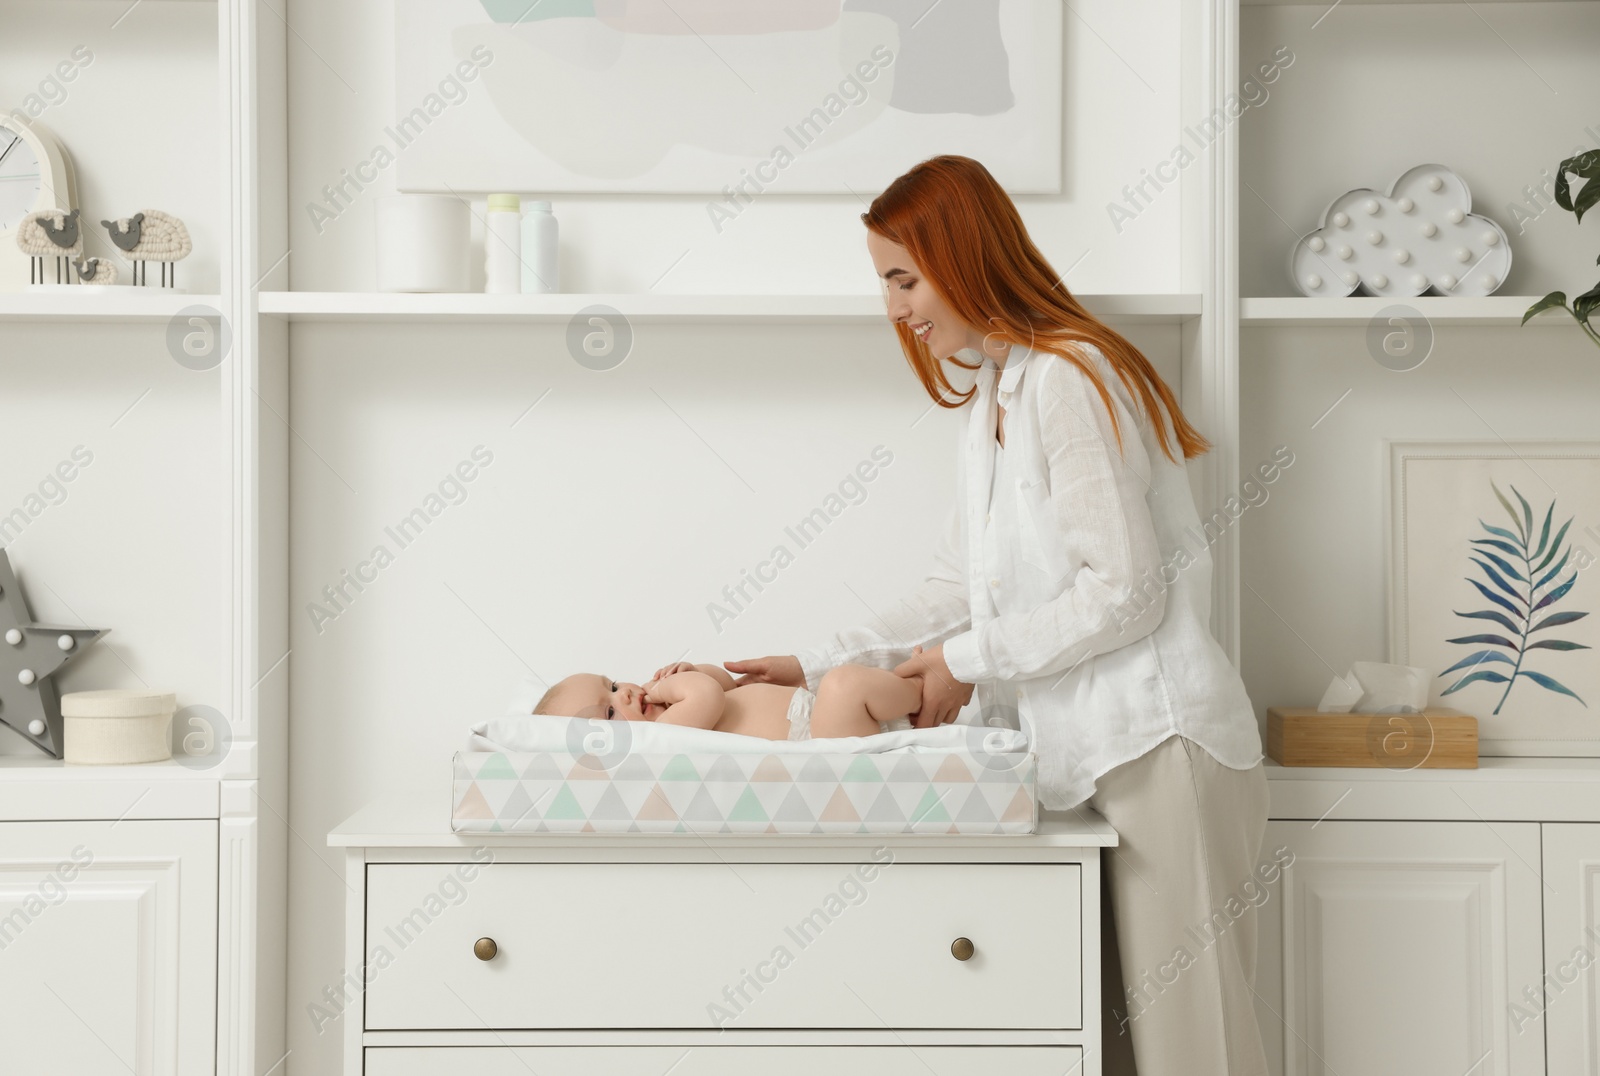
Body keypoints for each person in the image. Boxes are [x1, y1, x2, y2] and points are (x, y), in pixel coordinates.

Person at [726, 155, 1270, 1076]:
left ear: (964, 255)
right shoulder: (996, 398)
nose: (895, 308)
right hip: (1094, 754)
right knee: (1120, 1051)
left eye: (904, 278)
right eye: (885, 283)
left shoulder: (1068, 378)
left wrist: (966, 662)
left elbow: (1124, 591)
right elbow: (956, 585)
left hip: (1162, 744)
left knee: (1196, 1049)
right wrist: (812, 661)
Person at [532, 660, 915, 741]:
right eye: (611, 710)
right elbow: (708, 696)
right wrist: (679, 687)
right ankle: (923, 693)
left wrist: (696, 669)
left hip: (821, 717)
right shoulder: (663, 737)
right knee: (844, 684)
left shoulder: (671, 711)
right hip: (824, 739)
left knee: (850, 682)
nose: (626, 693)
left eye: (613, 683)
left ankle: (919, 695)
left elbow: (724, 688)